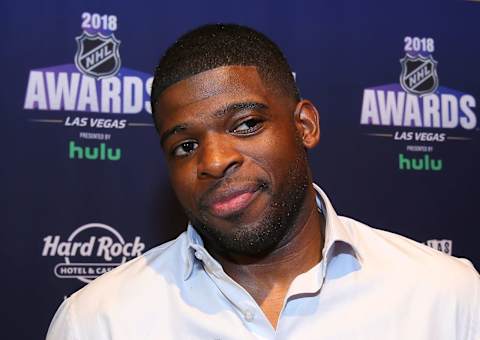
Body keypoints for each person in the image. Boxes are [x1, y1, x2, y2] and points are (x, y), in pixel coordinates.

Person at [46, 24, 479, 340]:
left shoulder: (447, 297)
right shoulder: (98, 322)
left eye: (247, 124)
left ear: (305, 125)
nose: (213, 162)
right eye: (185, 146)